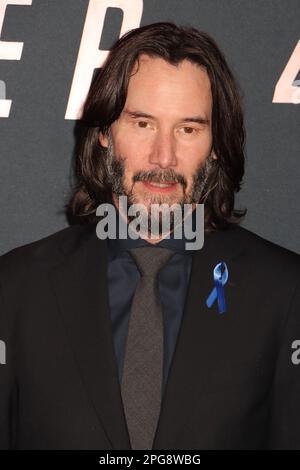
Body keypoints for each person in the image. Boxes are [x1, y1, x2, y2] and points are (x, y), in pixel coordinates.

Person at [0, 22, 299, 450]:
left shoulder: (284, 293)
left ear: (215, 145)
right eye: (142, 124)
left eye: (188, 129)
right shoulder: (15, 289)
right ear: (104, 132)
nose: (164, 157)